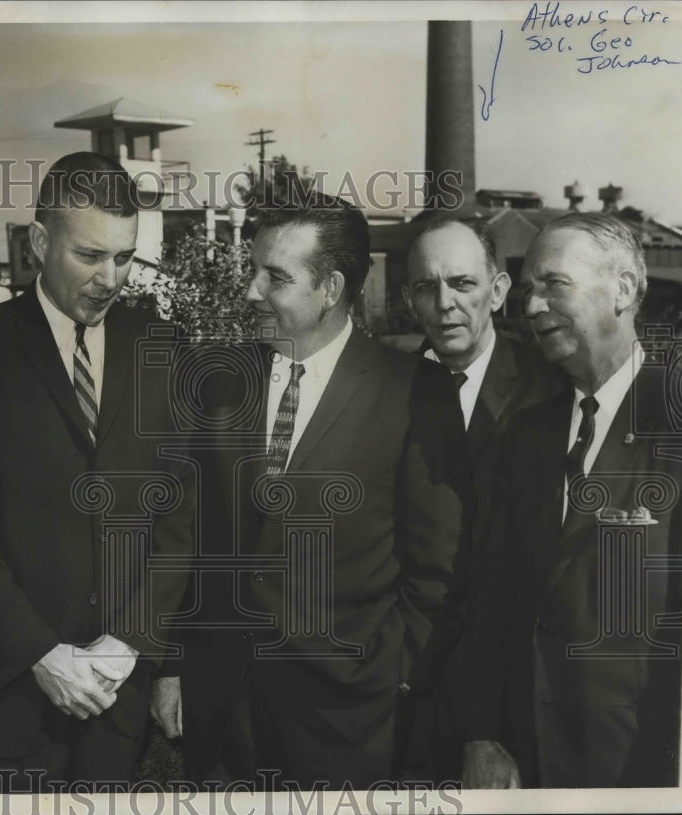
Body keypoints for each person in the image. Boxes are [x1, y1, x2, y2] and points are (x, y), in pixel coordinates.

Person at [152, 195, 472, 789]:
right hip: (223, 712)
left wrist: (392, 675)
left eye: (275, 277)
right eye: (254, 270)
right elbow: (183, 537)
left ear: (330, 287)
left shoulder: (415, 392)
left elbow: (437, 565)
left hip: (351, 717)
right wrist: (172, 666)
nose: (251, 291)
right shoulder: (218, 380)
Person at [0, 152, 194, 791]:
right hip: (7, 696)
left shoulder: (161, 346)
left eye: (124, 257)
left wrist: (128, 645)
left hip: (115, 697)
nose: (109, 278)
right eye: (89, 255)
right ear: (41, 242)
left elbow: (179, 514)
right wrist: (38, 653)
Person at [460, 212, 682, 788]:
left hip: (644, 767)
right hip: (527, 764)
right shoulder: (524, 434)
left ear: (625, 290)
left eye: (554, 285)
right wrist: (483, 733)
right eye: (528, 289)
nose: (532, 307)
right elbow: (492, 596)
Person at [399, 218, 566, 780]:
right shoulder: (383, 391)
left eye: (463, 284)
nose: (444, 304)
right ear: (407, 298)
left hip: (516, 696)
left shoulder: (553, 387)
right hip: (404, 694)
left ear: (497, 292)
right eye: (426, 287)